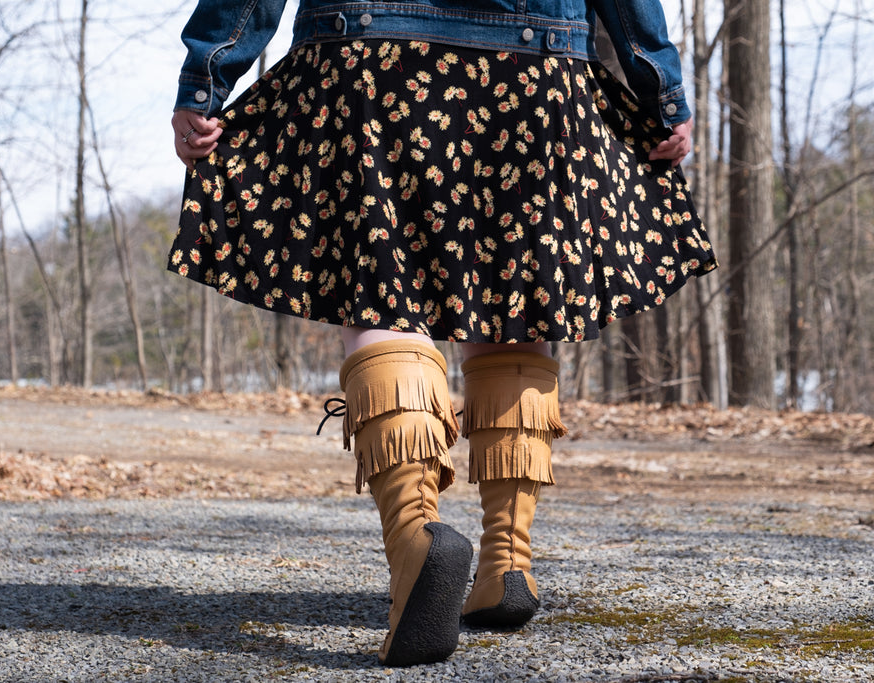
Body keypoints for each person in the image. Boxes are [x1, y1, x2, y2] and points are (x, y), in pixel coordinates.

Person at [170, 0, 716, 667]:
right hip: (535, 70)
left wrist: (207, 78)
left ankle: (416, 540)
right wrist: (661, 86)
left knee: (381, 296)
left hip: (370, 60)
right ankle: (506, 563)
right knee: (519, 305)